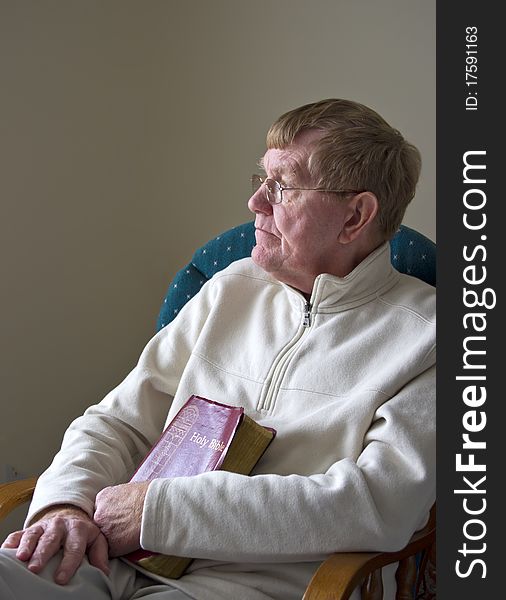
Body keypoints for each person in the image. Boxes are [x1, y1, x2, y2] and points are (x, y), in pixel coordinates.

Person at [0, 98, 436, 600]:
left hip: (253, 583)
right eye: (261, 180)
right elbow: (117, 421)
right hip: (109, 554)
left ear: (356, 215)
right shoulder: (231, 287)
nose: (256, 204)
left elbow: (375, 505)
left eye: (283, 187)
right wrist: (64, 506)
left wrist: (157, 513)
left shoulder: (429, 338)